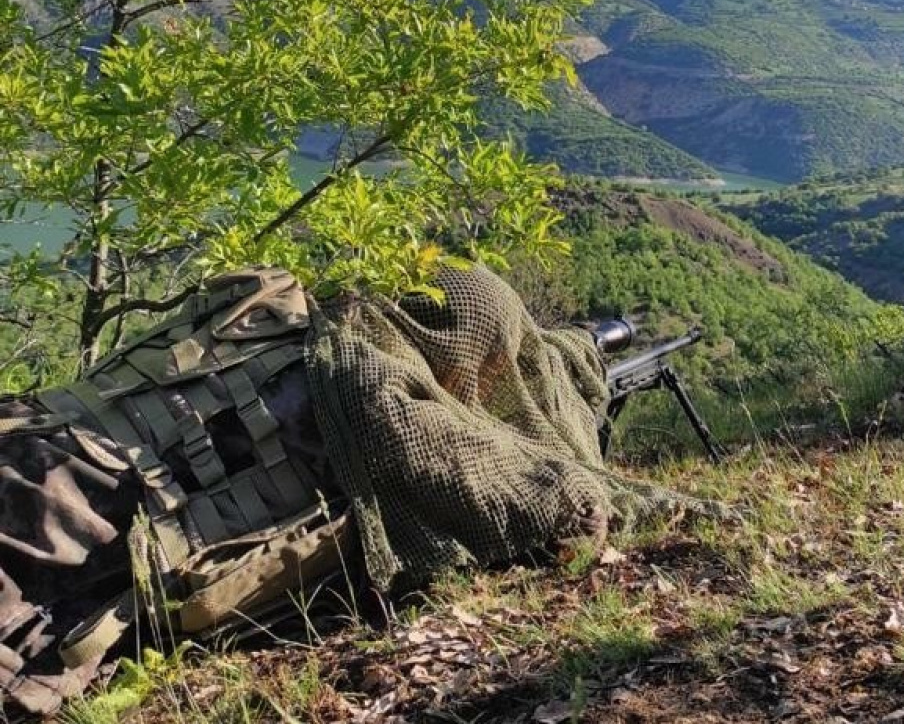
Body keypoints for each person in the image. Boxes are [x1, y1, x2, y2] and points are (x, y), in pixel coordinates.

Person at [0, 265, 628, 716]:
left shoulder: (271, 313)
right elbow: (567, 506)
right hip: (58, 533)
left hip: (29, 434)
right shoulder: (381, 396)